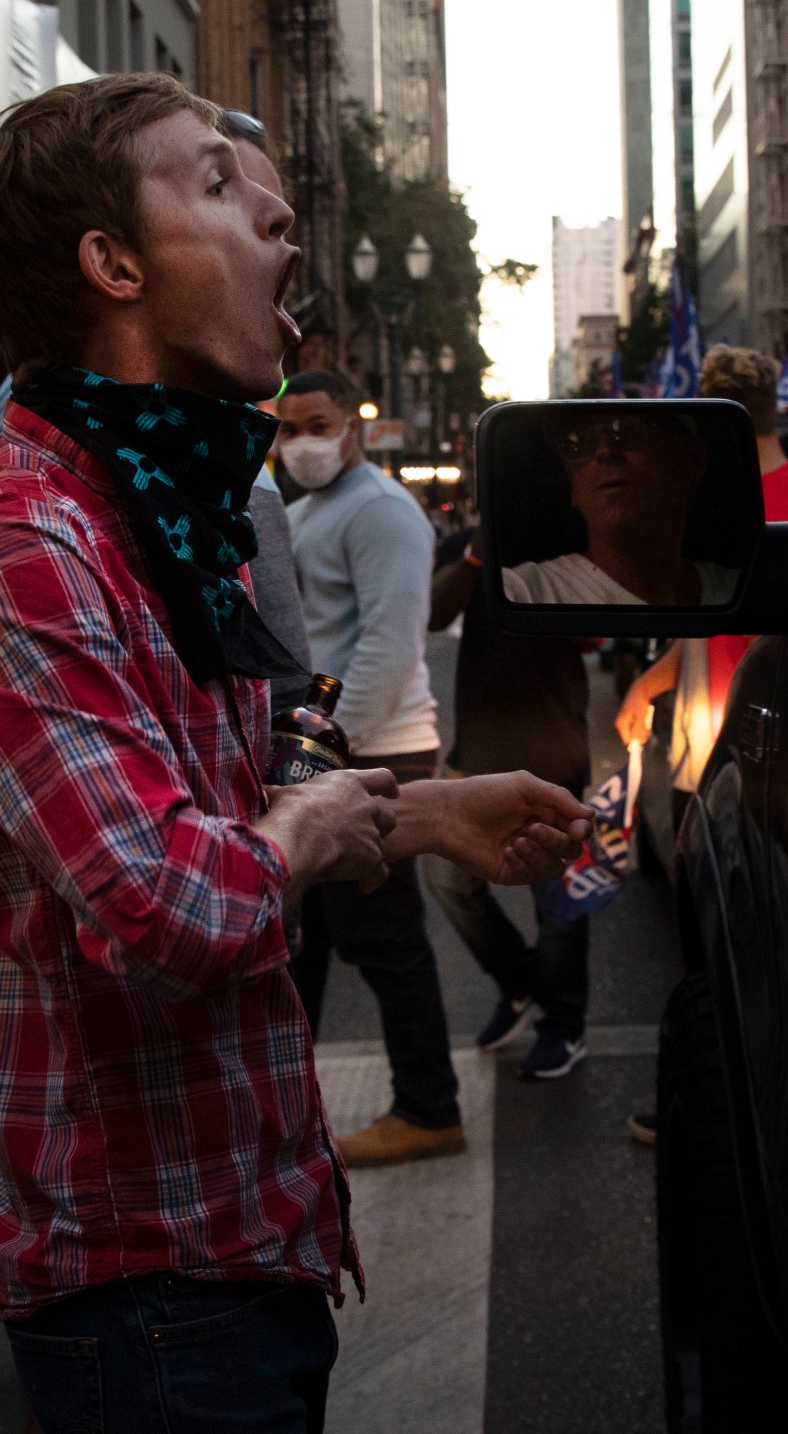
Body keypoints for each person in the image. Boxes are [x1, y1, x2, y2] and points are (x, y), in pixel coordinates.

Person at [0, 72, 586, 1434]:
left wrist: (425, 811)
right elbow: (170, 903)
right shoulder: (21, 543)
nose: (277, 213)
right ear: (112, 266)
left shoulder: (162, 496)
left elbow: (230, 806)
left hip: (250, 1229)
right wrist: (310, 832)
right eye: (215, 184)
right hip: (147, 1283)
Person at [276, 369, 472, 1159]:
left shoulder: (384, 512)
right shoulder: (308, 510)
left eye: (316, 424)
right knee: (310, 940)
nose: (301, 443)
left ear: (352, 424)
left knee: (383, 935)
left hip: (378, 750)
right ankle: (287, 1112)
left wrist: (318, 760)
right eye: (288, 430)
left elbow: (390, 650)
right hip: (336, 749)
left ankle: (429, 1108)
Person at [615, 346, 788, 811]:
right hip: (720, 752)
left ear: (715, 417)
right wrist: (648, 685)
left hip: (735, 758)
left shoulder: (772, 506)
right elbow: (717, 623)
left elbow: (773, 645)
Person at [429, 521, 597, 1078]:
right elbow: (430, 615)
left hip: (552, 747)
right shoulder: (476, 542)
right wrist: (479, 555)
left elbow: (592, 635)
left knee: (558, 903)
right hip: (476, 748)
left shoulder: (576, 545)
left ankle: (564, 1025)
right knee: (449, 882)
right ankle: (520, 979)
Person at [499, 408, 737, 606]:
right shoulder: (520, 592)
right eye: (578, 444)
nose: (604, 450)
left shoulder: (742, 590)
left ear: (693, 459)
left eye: (626, 430)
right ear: (574, 488)